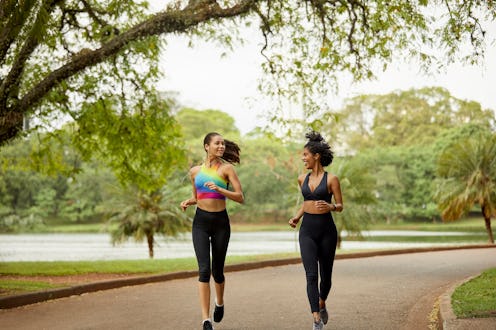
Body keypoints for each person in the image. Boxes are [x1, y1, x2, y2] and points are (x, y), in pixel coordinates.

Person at [180, 132, 244, 330]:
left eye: (223, 143)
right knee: (204, 270)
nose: (221, 146)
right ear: (207, 146)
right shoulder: (195, 172)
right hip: (200, 222)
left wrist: (219, 189)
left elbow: (240, 197)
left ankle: (220, 302)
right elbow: (198, 196)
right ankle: (205, 320)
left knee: (217, 271)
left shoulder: (227, 169)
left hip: (220, 223)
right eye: (217, 143)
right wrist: (189, 201)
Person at [289, 131, 343, 330]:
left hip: (327, 232)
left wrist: (331, 207)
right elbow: (306, 202)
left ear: (316, 156)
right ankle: (316, 320)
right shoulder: (302, 179)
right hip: (307, 232)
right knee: (311, 275)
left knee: (326, 277)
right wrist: (296, 217)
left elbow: (340, 205)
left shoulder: (332, 179)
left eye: (305, 155)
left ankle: (321, 303)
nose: (303, 158)